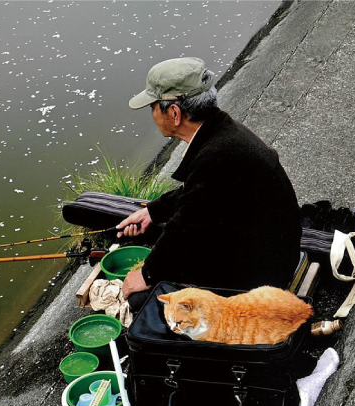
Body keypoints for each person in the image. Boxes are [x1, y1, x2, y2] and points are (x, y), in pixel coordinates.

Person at [116, 57, 302, 307]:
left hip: (263, 276)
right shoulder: (222, 134)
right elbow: (197, 196)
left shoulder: (215, 157)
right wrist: (153, 210)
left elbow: (185, 226)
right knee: (162, 237)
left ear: (174, 113)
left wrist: (146, 274)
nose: (151, 114)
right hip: (271, 250)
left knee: (141, 298)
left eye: (153, 107)